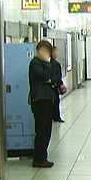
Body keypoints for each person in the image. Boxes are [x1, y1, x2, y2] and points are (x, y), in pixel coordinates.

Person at [28, 40, 56, 168]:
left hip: (48, 99)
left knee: (47, 130)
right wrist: (47, 64)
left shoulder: (45, 64)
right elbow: (45, 76)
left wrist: (50, 79)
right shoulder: (35, 63)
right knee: (41, 130)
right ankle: (38, 158)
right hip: (39, 101)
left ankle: (43, 156)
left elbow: (55, 76)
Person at [50, 46, 64, 123]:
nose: (57, 53)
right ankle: (56, 117)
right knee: (56, 102)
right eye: (56, 52)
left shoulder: (49, 63)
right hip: (54, 86)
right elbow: (58, 76)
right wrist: (60, 84)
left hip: (51, 85)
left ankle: (53, 116)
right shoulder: (55, 64)